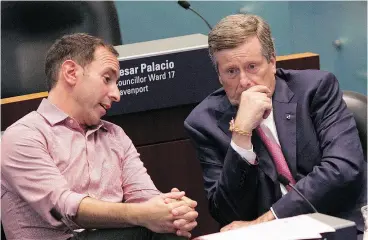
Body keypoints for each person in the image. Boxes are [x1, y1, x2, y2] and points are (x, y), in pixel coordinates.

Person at [1, 33, 198, 240]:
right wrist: (145, 215)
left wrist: (173, 211)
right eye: (107, 79)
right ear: (71, 72)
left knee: (168, 229)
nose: (117, 94)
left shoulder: (115, 135)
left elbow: (145, 198)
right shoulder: (23, 136)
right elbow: (63, 209)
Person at [184, 14, 366, 234]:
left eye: (252, 66)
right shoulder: (204, 122)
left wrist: (272, 218)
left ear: (272, 62)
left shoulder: (315, 89)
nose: (243, 82)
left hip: (340, 222)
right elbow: (227, 213)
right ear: (219, 76)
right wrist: (241, 137)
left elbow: (342, 168)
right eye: (231, 71)